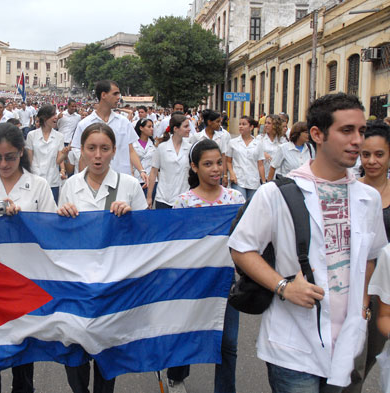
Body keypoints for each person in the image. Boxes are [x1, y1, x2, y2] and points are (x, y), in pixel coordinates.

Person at [228, 93, 387, 392]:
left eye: (362, 131)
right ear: (317, 134)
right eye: (346, 130)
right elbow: (241, 248)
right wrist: (283, 287)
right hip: (294, 345)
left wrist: (363, 304)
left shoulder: (368, 198)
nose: (357, 141)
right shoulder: (277, 194)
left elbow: (371, 256)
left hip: (346, 341)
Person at [0, 122, 56, 393]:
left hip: (23, 281)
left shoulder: (38, 186)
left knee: (22, 357)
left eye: (10, 157)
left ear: (21, 153)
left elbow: (51, 233)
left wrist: (26, 222)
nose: (3, 164)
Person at [58, 122, 147, 393]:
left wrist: (131, 216)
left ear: (114, 151)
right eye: (91, 148)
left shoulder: (129, 185)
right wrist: (62, 217)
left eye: (104, 149)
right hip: (79, 280)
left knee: (107, 353)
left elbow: (147, 237)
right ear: (81, 151)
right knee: (75, 349)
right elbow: (59, 240)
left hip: (114, 281)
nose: (98, 155)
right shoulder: (71, 186)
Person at [169, 139, 245, 393]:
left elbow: (245, 239)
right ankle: (177, 377)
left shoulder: (236, 199)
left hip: (227, 282)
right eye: (207, 164)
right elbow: (174, 244)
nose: (215, 169)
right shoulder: (182, 202)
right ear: (194, 167)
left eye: (219, 163)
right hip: (193, 282)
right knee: (188, 332)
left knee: (228, 343)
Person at [346, 120, 390, 393]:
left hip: (385, 293)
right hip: (353, 288)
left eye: (379, 154)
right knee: (350, 363)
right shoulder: (349, 191)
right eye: (366, 154)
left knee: (371, 356)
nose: (372, 161)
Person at [70, 80, 149, 184]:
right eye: (115, 94)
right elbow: (82, 157)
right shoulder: (84, 124)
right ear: (103, 95)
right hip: (96, 181)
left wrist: (141, 170)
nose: (118, 97)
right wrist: (83, 183)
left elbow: (131, 150)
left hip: (121, 179)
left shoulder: (124, 122)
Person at [25, 105, 69, 203]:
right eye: (53, 115)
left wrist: (65, 153)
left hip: (53, 181)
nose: (56, 117)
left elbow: (58, 160)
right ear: (44, 118)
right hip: (35, 180)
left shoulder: (59, 136)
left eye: (56, 114)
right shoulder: (31, 135)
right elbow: (29, 160)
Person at [147, 113, 191, 209]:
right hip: (163, 198)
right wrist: (149, 197)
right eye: (186, 126)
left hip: (184, 199)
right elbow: (153, 173)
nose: (189, 129)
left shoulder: (189, 148)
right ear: (175, 129)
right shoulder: (162, 148)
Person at [227, 115, 265, 200]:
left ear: (251, 127)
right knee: (240, 203)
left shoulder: (258, 144)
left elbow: (260, 164)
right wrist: (231, 173)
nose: (241, 126)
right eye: (240, 124)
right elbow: (228, 161)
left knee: (251, 206)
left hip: (253, 180)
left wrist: (263, 181)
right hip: (238, 179)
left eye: (244, 124)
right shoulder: (233, 142)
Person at [190, 109, 229, 186]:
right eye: (217, 122)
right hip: (201, 175)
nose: (219, 124)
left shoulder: (221, 137)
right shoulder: (198, 137)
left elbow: (223, 156)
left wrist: (224, 175)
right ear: (209, 122)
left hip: (217, 174)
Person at [132, 118, 156, 198]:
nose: (151, 129)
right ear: (141, 128)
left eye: (152, 126)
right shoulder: (132, 144)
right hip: (137, 180)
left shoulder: (154, 144)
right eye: (149, 127)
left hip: (151, 181)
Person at [258, 114, 287, 180]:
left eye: (269, 123)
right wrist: (263, 154)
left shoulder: (283, 141)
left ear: (275, 125)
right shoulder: (260, 139)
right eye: (265, 123)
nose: (266, 125)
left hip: (277, 176)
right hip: (262, 176)